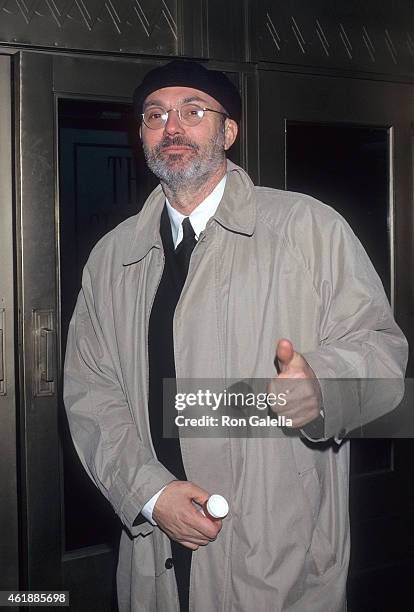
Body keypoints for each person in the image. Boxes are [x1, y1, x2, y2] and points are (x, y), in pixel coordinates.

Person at [64, 59, 408, 612]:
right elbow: (92, 393)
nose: (172, 127)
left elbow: (385, 358)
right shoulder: (112, 257)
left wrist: (324, 385)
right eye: (156, 115)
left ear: (228, 131)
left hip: (277, 557)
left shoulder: (308, 229)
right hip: (157, 555)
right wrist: (149, 494)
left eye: (193, 111)